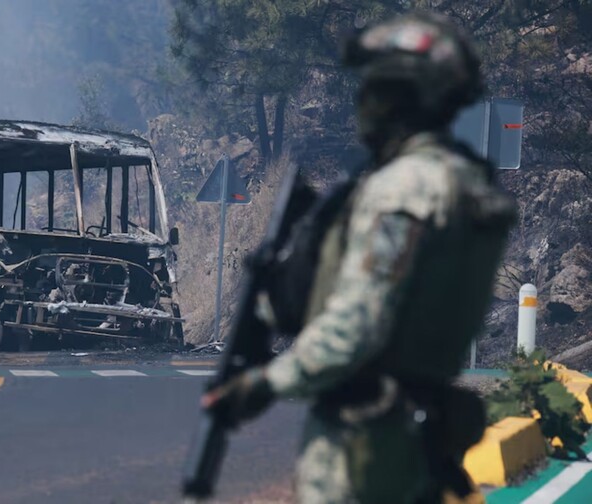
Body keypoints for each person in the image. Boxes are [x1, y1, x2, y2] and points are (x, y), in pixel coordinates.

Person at [202, 12, 516, 503]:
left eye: (374, 88)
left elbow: (359, 324)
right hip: (424, 438)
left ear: (399, 96)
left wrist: (265, 382)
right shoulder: (471, 185)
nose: (362, 103)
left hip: (363, 446)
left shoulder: (403, 190)